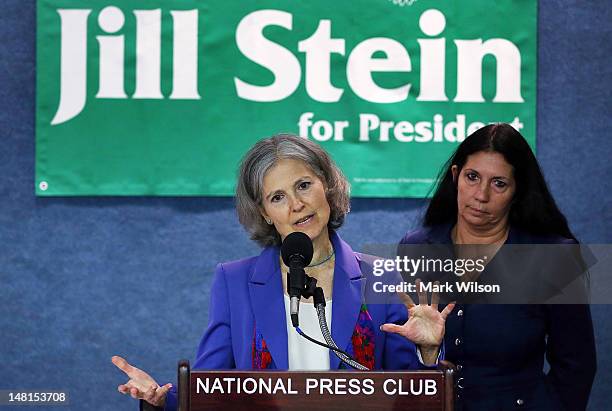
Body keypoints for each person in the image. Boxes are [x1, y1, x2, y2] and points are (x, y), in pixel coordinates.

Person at [113, 134, 455, 410]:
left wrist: (427, 352)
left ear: (327, 186)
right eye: (277, 197)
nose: (296, 204)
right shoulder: (234, 282)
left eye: (303, 185)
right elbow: (210, 391)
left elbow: (408, 395)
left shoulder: (381, 275)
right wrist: (160, 399)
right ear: (264, 213)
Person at [399, 123, 597, 410]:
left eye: (499, 183)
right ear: (456, 177)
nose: (481, 195)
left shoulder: (554, 256)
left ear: (517, 191)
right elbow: (402, 353)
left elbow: (576, 368)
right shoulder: (416, 248)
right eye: (472, 177)